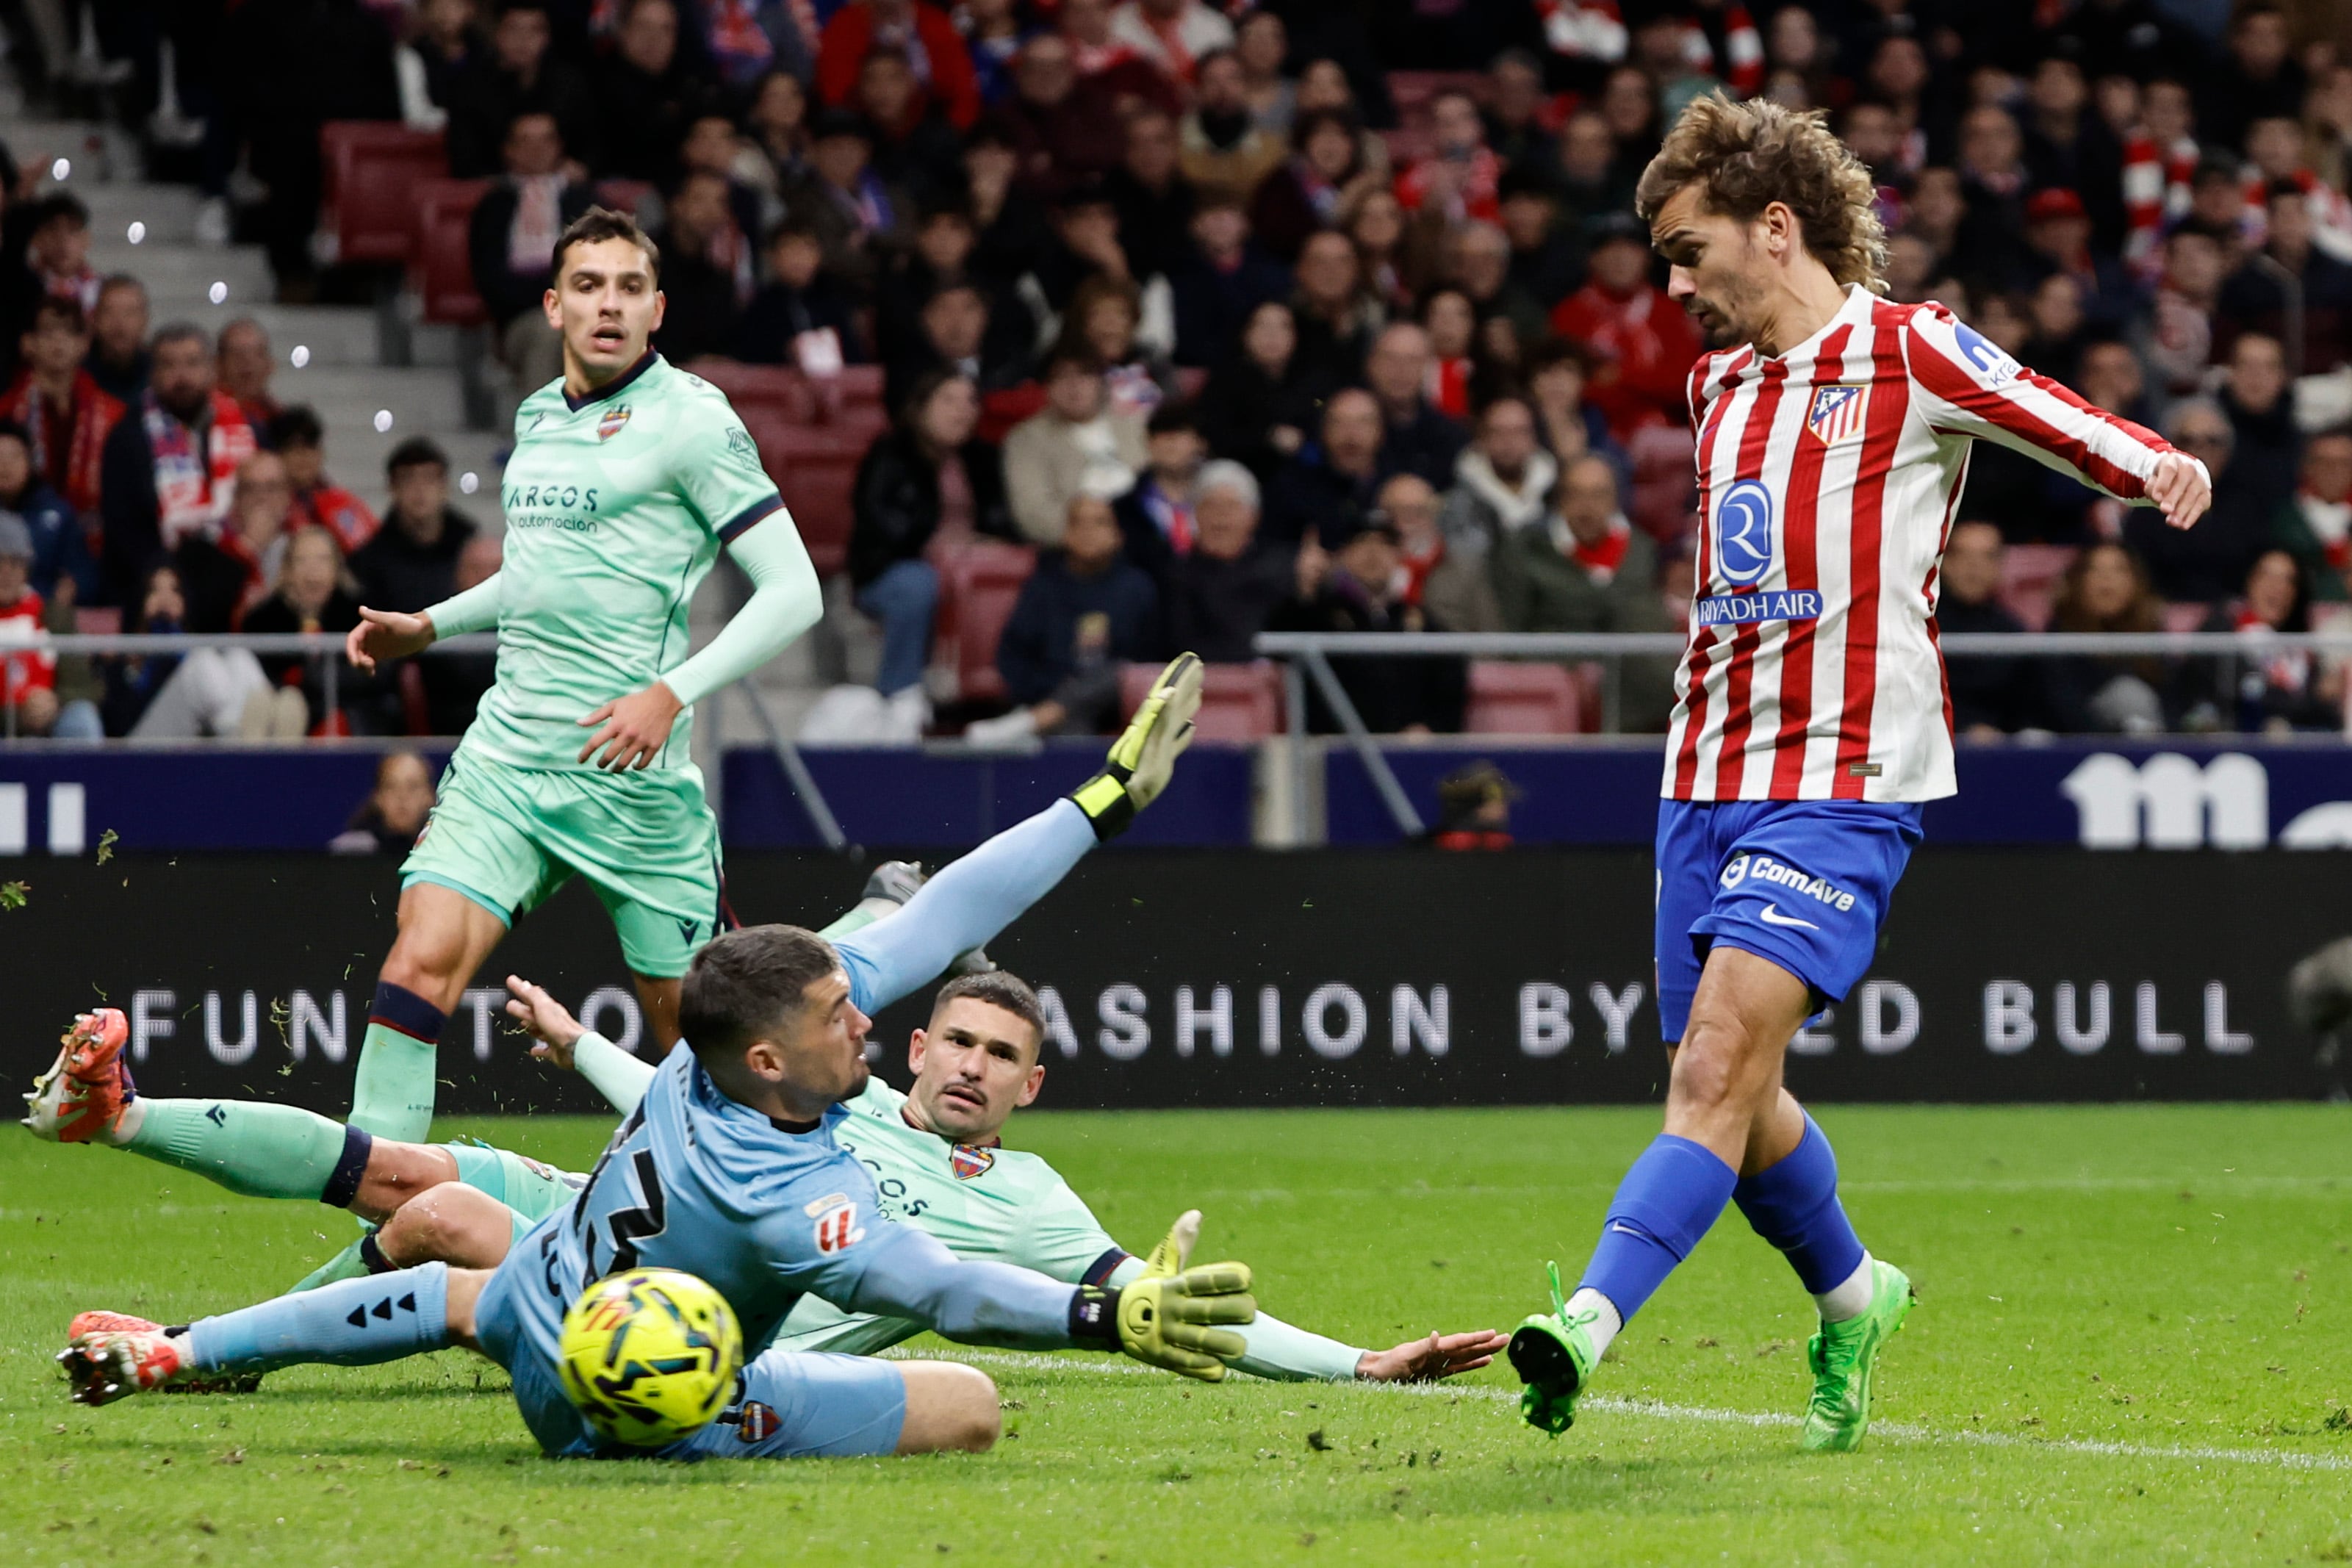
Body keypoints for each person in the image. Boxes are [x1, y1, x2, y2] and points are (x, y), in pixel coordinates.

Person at [1505, 93, 2209, 1453]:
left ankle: (1583, 1318)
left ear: (1776, 228)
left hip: (1844, 777)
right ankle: (1854, 1294)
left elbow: (2041, 410)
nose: (1672, 282)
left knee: (1711, 1066)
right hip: (1700, 775)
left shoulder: (1907, 349)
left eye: (1688, 247)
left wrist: (2154, 464)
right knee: (1737, 1087)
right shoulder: (1716, 388)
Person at [50, 683, 1270, 1455]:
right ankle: (682, 1423)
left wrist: (1104, 797)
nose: (869, 1022)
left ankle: (183, 1346)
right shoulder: (792, 1193)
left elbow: (942, 909)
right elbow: (944, 1287)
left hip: (544, 1321)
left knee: (450, 1267)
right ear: (769, 1053)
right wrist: (1108, 1315)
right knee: (968, 1402)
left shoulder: (720, 1049)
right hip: (647, 1397)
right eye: (843, 1014)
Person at [336, 207, 824, 1146]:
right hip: (511, 760)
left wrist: (670, 692)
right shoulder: (535, 416)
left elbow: (794, 591)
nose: (610, 305)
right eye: (589, 287)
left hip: (632, 783)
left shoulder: (693, 420)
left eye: (630, 288)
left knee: (702, 1045)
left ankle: (749, 1218)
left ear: (657, 310)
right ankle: (380, 1221)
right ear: (555, 307)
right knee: (419, 960)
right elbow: (542, 575)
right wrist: (431, 624)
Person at [849, 370, 1016, 716]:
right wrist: (937, 545)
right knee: (918, 585)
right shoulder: (890, 453)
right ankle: (900, 696)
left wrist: (983, 544)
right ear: (920, 407)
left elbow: (1002, 521)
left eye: (970, 401)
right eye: (949, 400)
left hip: (969, 566)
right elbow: (880, 525)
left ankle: (1000, 698)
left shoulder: (982, 458)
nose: (962, 411)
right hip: (893, 567)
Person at [1490, 453, 1674, 727]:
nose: (1587, 507)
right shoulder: (1526, 550)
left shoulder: (1642, 550)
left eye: (1598, 495)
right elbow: (1512, 634)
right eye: (1576, 494)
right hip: (1557, 670)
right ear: (1560, 500)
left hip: (1634, 679)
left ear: (1615, 499)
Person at [973, 494, 1160, 741]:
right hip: (1052, 700)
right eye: (1078, 523)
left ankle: (1035, 721)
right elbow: (1013, 654)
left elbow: (1150, 661)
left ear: (1118, 535)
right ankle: (1048, 715)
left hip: (1114, 705)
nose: (1088, 532)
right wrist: (1048, 692)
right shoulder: (1043, 586)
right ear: (1065, 534)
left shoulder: (1138, 588)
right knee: (1072, 730)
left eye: (1099, 523)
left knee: (1119, 673)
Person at [98, 324, 261, 603]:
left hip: (242, 577)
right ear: (153, 374)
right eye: (169, 365)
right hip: (158, 585)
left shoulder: (247, 426)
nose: (182, 376)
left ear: (212, 369)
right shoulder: (127, 437)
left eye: (192, 363)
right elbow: (123, 526)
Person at [1270, 513, 1465, 735]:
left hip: (1403, 753)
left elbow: (1451, 678)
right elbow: (1278, 648)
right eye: (1361, 542)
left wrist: (1431, 728)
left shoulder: (1417, 620)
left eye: (1385, 544)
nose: (1373, 553)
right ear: (1343, 554)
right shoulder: (1318, 613)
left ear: (1399, 555)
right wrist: (1304, 593)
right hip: (1334, 752)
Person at [468, 110, 596, 409]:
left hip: (585, 311)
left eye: (546, 140)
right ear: (509, 150)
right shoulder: (494, 206)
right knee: (549, 333)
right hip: (524, 318)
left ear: (559, 147)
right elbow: (491, 280)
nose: (537, 149)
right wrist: (556, 291)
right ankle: (538, 440)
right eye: (526, 141)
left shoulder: (582, 200)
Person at [2183, 549, 2342, 734]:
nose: (2278, 588)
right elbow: (2238, 693)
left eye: (2288, 580)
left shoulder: (2300, 648)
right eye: (2268, 576)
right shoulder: (2222, 627)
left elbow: (2326, 712)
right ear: (2250, 581)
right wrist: (2313, 699)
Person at [1002, 352, 1146, 546]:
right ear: (1046, 387)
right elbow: (1033, 513)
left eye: (1085, 375)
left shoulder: (1133, 427)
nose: (1074, 385)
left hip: (1145, 542)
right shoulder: (1026, 439)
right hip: (1071, 551)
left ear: (1101, 383)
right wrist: (1093, 536)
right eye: (1062, 376)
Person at [241, 525, 374, 734]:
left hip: (344, 710)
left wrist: (311, 676)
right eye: (302, 561)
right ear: (287, 570)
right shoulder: (262, 621)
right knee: (271, 703)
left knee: (290, 706)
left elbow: (376, 675)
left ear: (336, 568)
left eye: (322, 560)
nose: (313, 569)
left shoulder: (362, 616)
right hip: (276, 706)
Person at [1, 295, 122, 519]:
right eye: (47, 332)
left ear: (84, 343)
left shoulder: (113, 415)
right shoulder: (6, 412)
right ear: (28, 343)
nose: (58, 341)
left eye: (69, 332)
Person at [2042, 540, 2176, 736]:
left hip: (2152, 747)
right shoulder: (2059, 637)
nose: (2107, 579)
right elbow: (2062, 707)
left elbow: (2172, 702)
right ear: (2078, 581)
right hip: (2081, 746)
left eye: (2119, 570)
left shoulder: (2150, 635)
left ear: (2136, 581)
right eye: (2095, 570)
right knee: (2128, 695)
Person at [1162, 458, 1290, 662]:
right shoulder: (1175, 577)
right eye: (1210, 506)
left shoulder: (1280, 571)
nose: (1220, 517)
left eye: (1231, 506)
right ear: (1195, 515)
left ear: (1254, 517)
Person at [1931, 521, 2040, 737]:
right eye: (1963, 556)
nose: (1974, 567)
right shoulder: (1916, 627)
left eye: (1987, 557)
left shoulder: (2014, 633)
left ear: (2000, 566)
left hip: (2000, 753)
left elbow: (2031, 708)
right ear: (1944, 562)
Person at [0, 511, 101, 738]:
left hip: (47, 721)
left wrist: (54, 701)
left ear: (26, 569)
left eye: (15, 562)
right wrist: (17, 714)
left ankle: (83, 774)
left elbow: (84, 685)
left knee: (81, 716)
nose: (6, 572)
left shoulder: (52, 616)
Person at [1195, 300, 1316, 483]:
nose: (1272, 336)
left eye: (1283, 327)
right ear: (1245, 334)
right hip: (1240, 478)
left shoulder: (1314, 382)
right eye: (1262, 326)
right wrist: (1268, 438)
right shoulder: (1223, 384)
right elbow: (1215, 436)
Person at [1262, 386, 1386, 548]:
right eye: (1339, 423)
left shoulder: (1398, 485)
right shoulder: (1292, 489)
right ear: (1324, 432)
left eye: (1363, 423)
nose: (1351, 435)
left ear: (1380, 431)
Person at [1440, 395, 1557, 561]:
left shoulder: (1559, 495)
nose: (1509, 442)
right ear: (1481, 439)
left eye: (1519, 431)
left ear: (1534, 439)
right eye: (1498, 432)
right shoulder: (1458, 505)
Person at [738, 221, 867, 369]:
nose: (799, 257)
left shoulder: (834, 301)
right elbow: (750, 360)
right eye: (790, 248)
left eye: (807, 248)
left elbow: (855, 359)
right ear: (771, 256)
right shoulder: (761, 308)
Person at [1383, 472, 1497, 636]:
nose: (1405, 523)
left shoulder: (1465, 570)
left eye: (1418, 512)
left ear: (1433, 515)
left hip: (1456, 655)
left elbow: (1490, 634)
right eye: (1396, 512)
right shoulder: (1368, 569)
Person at [0, 418, 93, 604]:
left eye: (14, 456)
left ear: (30, 461)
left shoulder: (59, 514)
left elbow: (83, 575)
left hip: (45, 619)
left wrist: (71, 589)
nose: (5, 465)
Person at [1112, 401, 1205, 585]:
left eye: (1180, 432)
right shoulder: (1124, 508)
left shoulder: (1221, 497)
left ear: (1200, 443)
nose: (1170, 440)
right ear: (1148, 443)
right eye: (1160, 433)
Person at [1363, 323, 1465, 488]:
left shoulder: (1450, 437)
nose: (1401, 370)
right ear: (1371, 364)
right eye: (1390, 358)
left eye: (1413, 360)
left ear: (1428, 369)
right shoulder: (1342, 426)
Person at [270, 406, 378, 553]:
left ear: (321, 453)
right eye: (293, 448)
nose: (303, 456)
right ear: (277, 455)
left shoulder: (341, 504)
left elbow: (370, 553)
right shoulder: (270, 506)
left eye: (310, 447)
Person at [2273, 426, 2352, 603]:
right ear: (2307, 466)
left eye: (2344, 463)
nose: (2334, 471)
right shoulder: (2283, 521)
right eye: (2324, 462)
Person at [331, 752, 439, 854]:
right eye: (391, 787)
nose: (402, 796)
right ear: (377, 797)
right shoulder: (347, 853)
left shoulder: (445, 852)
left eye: (413, 787)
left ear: (430, 797)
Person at [82, 276, 149, 406]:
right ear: (95, 319)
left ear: (144, 320)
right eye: (109, 312)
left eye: (129, 313)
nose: (119, 323)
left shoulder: (159, 375)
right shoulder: (77, 376)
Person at [215, 319, 279, 432]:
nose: (248, 362)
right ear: (218, 364)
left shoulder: (280, 419)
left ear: (271, 365)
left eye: (258, 354)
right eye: (238, 354)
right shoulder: (205, 417)